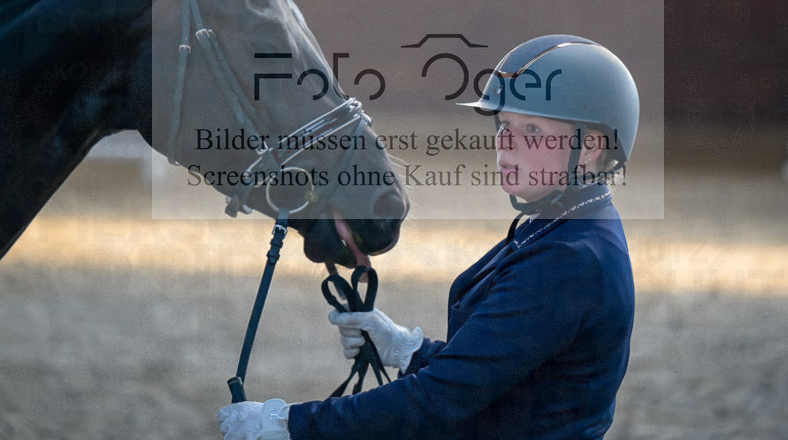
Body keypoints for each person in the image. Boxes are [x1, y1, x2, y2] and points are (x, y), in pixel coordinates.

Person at [218, 34, 639, 440]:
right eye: (504, 124)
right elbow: (505, 375)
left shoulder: (570, 259)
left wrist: (285, 424)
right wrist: (407, 350)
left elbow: (436, 402)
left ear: (590, 147)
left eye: (531, 130)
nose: (505, 144)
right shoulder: (564, 222)